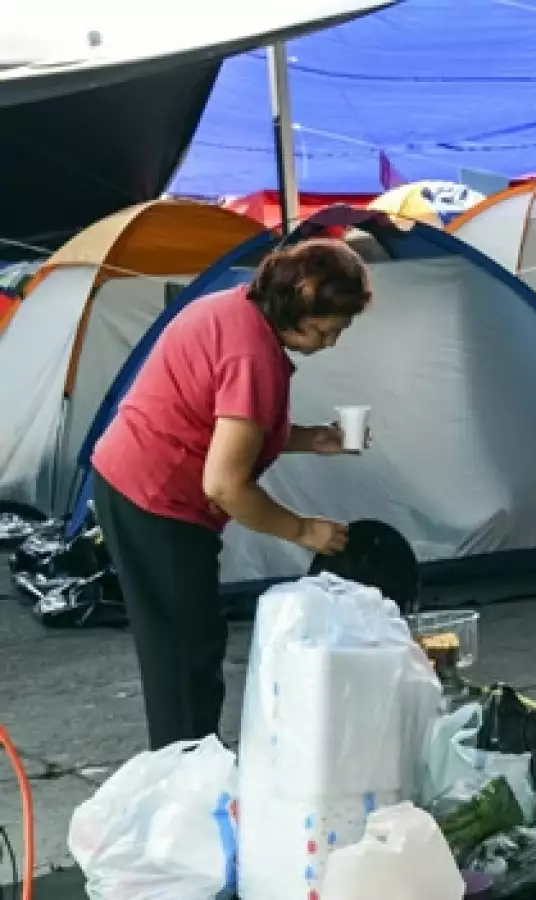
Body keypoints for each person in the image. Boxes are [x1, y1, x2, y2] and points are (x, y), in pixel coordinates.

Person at [91, 239, 374, 750]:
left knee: (185, 645)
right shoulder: (253, 356)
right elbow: (224, 484)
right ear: (299, 306)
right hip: (155, 497)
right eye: (329, 328)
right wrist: (304, 530)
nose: (333, 341)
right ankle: (185, 777)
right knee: (184, 655)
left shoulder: (236, 307)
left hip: (133, 479)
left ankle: (189, 763)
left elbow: (228, 422)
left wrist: (311, 438)